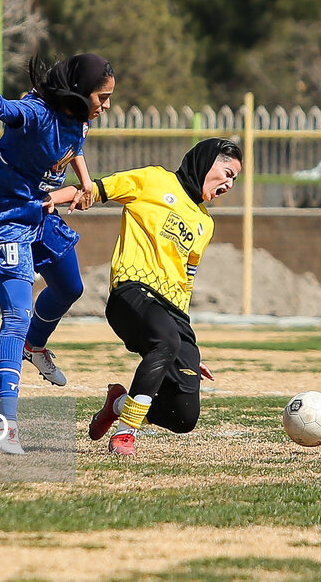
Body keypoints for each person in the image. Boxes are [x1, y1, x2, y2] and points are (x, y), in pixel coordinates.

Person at [45, 138, 242, 456]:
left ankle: (118, 404)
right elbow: (94, 189)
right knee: (163, 342)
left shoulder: (206, 223)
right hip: (132, 293)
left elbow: (186, 281)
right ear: (206, 161)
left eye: (235, 178)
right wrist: (48, 199)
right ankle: (125, 435)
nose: (230, 182)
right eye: (228, 171)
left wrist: (186, 345)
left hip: (174, 315)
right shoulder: (154, 179)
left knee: (183, 417)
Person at [0, 51, 115, 454]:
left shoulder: (79, 117)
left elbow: (75, 145)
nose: (106, 105)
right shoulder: (36, 112)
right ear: (81, 92)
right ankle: (6, 427)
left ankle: (35, 346)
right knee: (16, 315)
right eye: (102, 97)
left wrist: (84, 181)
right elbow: (0, 109)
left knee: (70, 287)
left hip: (42, 211)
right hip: (7, 218)